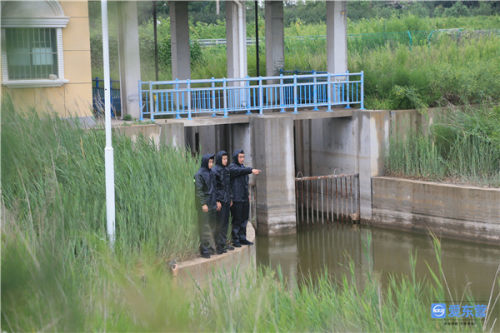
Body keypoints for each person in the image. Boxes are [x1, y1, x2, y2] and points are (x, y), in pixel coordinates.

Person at [229, 149, 260, 247]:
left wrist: (247, 194)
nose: (242, 159)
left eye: (243, 157)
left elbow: (245, 183)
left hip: (244, 197)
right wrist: (250, 170)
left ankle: (242, 238)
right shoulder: (232, 167)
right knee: (237, 219)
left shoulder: (243, 167)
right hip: (236, 198)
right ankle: (236, 239)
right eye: (240, 157)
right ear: (236, 158)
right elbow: (239, 171)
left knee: (244, 219)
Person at [211, 150, 235, 254]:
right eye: (224, 159)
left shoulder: (226, 170)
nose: (226, 160)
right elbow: (214, 188)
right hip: (220, 201)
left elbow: (228, 186)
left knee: (225, 223)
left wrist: (230, 198)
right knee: (219, 223)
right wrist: (216, 201)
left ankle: (223, 243)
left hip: (226, 200)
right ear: (220, 159)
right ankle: (219, 246)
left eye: (226, 159)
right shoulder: (215, 171)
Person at [194, 154, 216, 258]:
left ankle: (210, 247)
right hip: (205, 205)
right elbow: (198, 191)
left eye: (212, 162)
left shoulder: (211, 172)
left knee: (210, 226)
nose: (211, 164)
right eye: (209, 162)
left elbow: (214, 189)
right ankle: (204, 250)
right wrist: (203, 203)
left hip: (212, 204)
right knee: (203, 227)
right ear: (205, 162)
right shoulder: (199, 174)